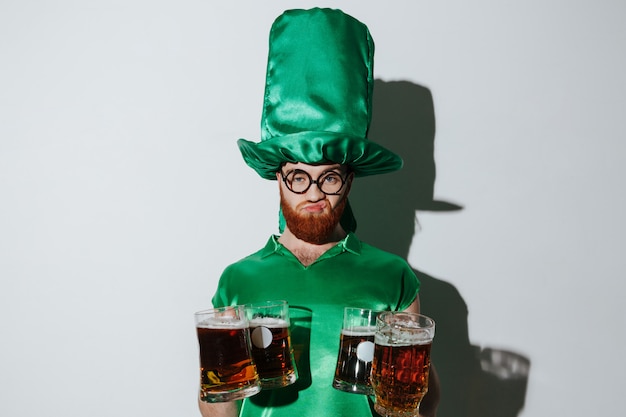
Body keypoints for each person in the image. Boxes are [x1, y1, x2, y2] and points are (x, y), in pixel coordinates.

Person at [200, 8, 440, 417]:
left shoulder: (394, 276)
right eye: (298, 177)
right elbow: (220, 409)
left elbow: (421, 399)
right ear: (278, 179)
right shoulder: (237, 279)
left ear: (349, 180)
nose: (313, 194)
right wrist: (216, 385)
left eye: (329, 178)